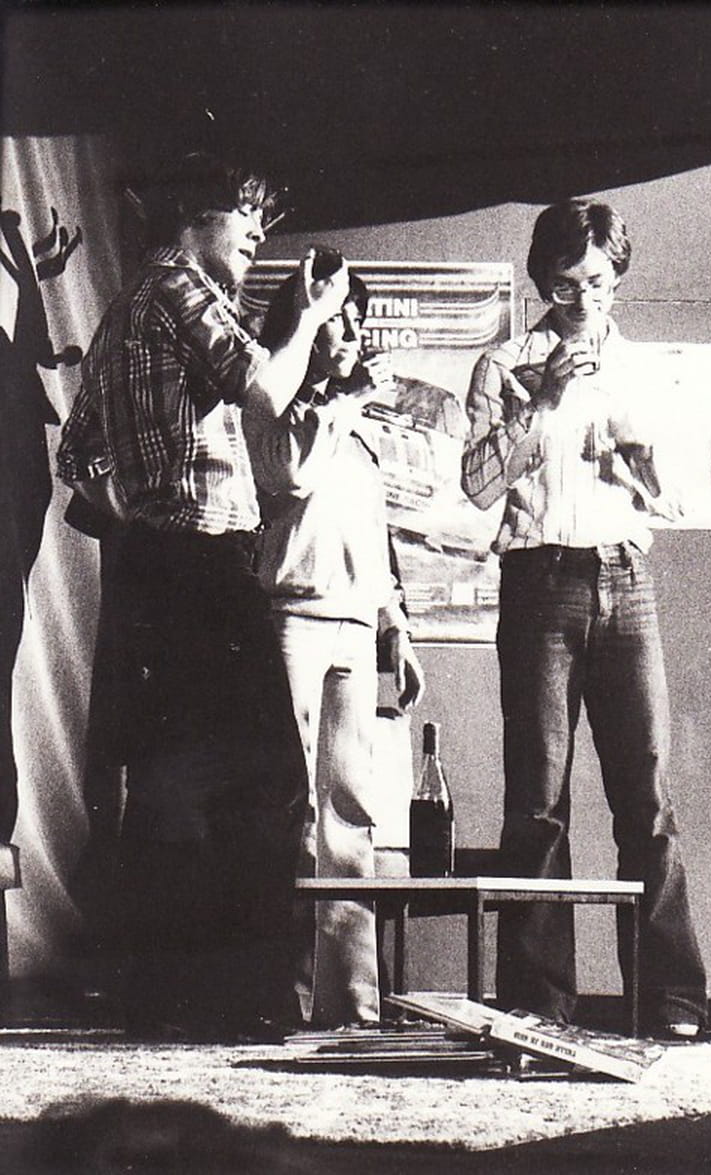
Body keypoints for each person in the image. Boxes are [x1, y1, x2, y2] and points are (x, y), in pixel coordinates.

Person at [56, 151, 351, 1041]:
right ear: (194, 218)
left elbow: (76, 452)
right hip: (205, 562)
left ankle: (168, 997)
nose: (257, 232)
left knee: (171, 785)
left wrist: (139, 519)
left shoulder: (123, 309)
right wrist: (311, 320)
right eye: (244, 214)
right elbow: (263, 390)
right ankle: (246, 998)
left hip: (155, 565)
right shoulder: (183, 286)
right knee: (265, 781)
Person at [461, 198, 707, 1040]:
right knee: (537, 800)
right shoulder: (503, 363)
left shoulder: (641, 368)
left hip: (626, 578)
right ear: (541, 281)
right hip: (541, 582)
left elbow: (676, 497)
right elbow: (477, 485)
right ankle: (539, 998)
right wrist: (545, 401)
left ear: (616, 278)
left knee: (647, 795)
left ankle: (671, 1001)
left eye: (597, 283)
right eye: (565, 285)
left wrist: (639, 458)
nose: (582, 301)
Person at [247, 262, 425, 1027]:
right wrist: (345, 403)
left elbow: (376, 539)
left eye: (355, 320)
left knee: (352, 814)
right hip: (290, 616)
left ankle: (351, 1000)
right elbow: (287, 474)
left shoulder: (360, 425)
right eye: (332, 318)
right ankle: (278, 993)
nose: (348, 333)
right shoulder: (274, 397)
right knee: (291, 810)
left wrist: (397, 629)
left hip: (355, 622)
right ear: (303, 322)